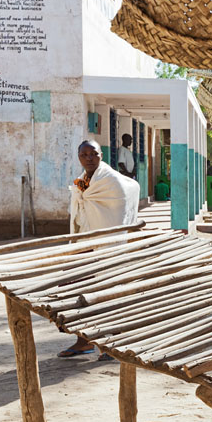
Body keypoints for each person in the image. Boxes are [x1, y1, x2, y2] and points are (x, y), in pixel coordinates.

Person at [60, 140, 139, 359]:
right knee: (79, 292)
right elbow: (82, 209)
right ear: (79, 157)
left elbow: (117, 207)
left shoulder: (109, 180)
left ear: (101, 155)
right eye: (84, 154)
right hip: (84, 245)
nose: (89, 158)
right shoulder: (83, 180)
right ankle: (83, 341)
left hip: (105, 247)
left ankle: (113, 342)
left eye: (93, 154)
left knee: (107, 292)